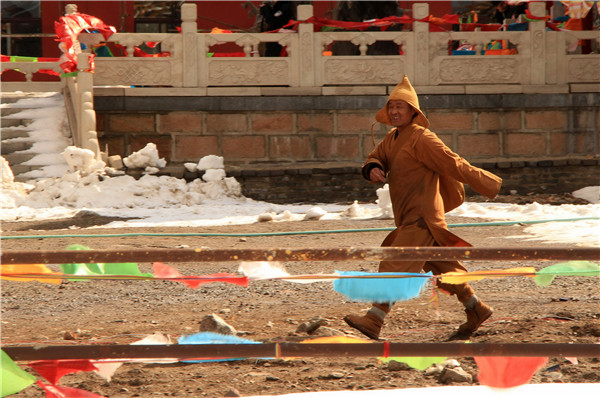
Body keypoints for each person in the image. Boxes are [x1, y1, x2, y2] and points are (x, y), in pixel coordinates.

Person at [343, 75, 503, 341]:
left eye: (400, 107)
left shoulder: (422, 138)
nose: (394, 111)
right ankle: (476, 309)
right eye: (391, 106)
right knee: (444, 267)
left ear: (412, 111)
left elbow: (454, 163)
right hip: (408, 217)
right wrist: (372, 168)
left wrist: (489, 184)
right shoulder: (392, 138)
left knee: (394, 264)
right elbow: (376, 156)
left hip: (423, 218)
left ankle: (374, 319)